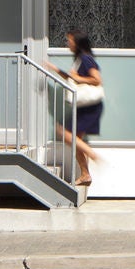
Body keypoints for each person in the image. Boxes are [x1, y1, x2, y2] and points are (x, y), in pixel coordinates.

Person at [45, 27, 102, 189]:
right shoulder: (79, 60)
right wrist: (54, 69)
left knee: (65, 133)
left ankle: (92, 156)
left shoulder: (86, 59)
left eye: (69, 40)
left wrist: (78, 78)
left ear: (77, 42)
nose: (67, 43)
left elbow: (97, 80)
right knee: (73, 137)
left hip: (89, 106)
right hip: (84, 106)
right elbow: (72, 79)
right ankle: (85, 174)